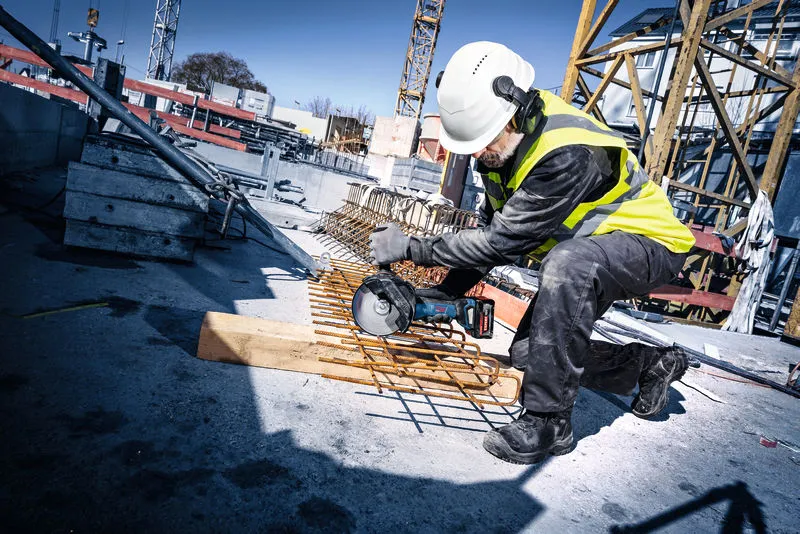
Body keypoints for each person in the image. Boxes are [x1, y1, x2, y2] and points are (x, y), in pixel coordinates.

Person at [367, 41, 697, 465]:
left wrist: (414, 249)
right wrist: (448, 292)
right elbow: (492, 233)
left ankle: (549, 423)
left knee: (567, 262)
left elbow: (507, 243)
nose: (479, 153)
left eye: (485, 140)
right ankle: (648, 364)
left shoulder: (568, 153)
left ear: (518, 111)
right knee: (530, 354)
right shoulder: (501, 153)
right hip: (591, 252)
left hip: (652, 243)